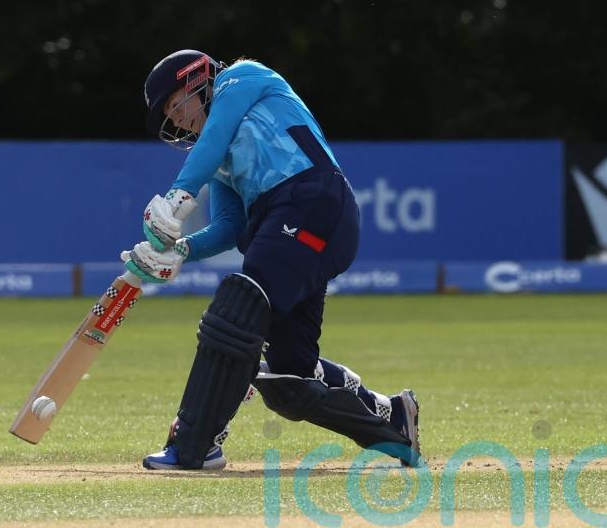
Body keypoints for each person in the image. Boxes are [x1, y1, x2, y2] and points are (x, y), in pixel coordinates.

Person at [120, 49, 420, 470]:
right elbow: (229, 225)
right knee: (288, 379)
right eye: (170, 115)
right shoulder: (220, 159)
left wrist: (176, 198)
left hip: (311, 201)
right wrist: (180, 250)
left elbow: (215, 135)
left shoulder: (242, 78)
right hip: (286, 223)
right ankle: (392, 419)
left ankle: (193, 444)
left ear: (196, 80)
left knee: (238, 311)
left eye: (175, 104)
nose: (178, 119)